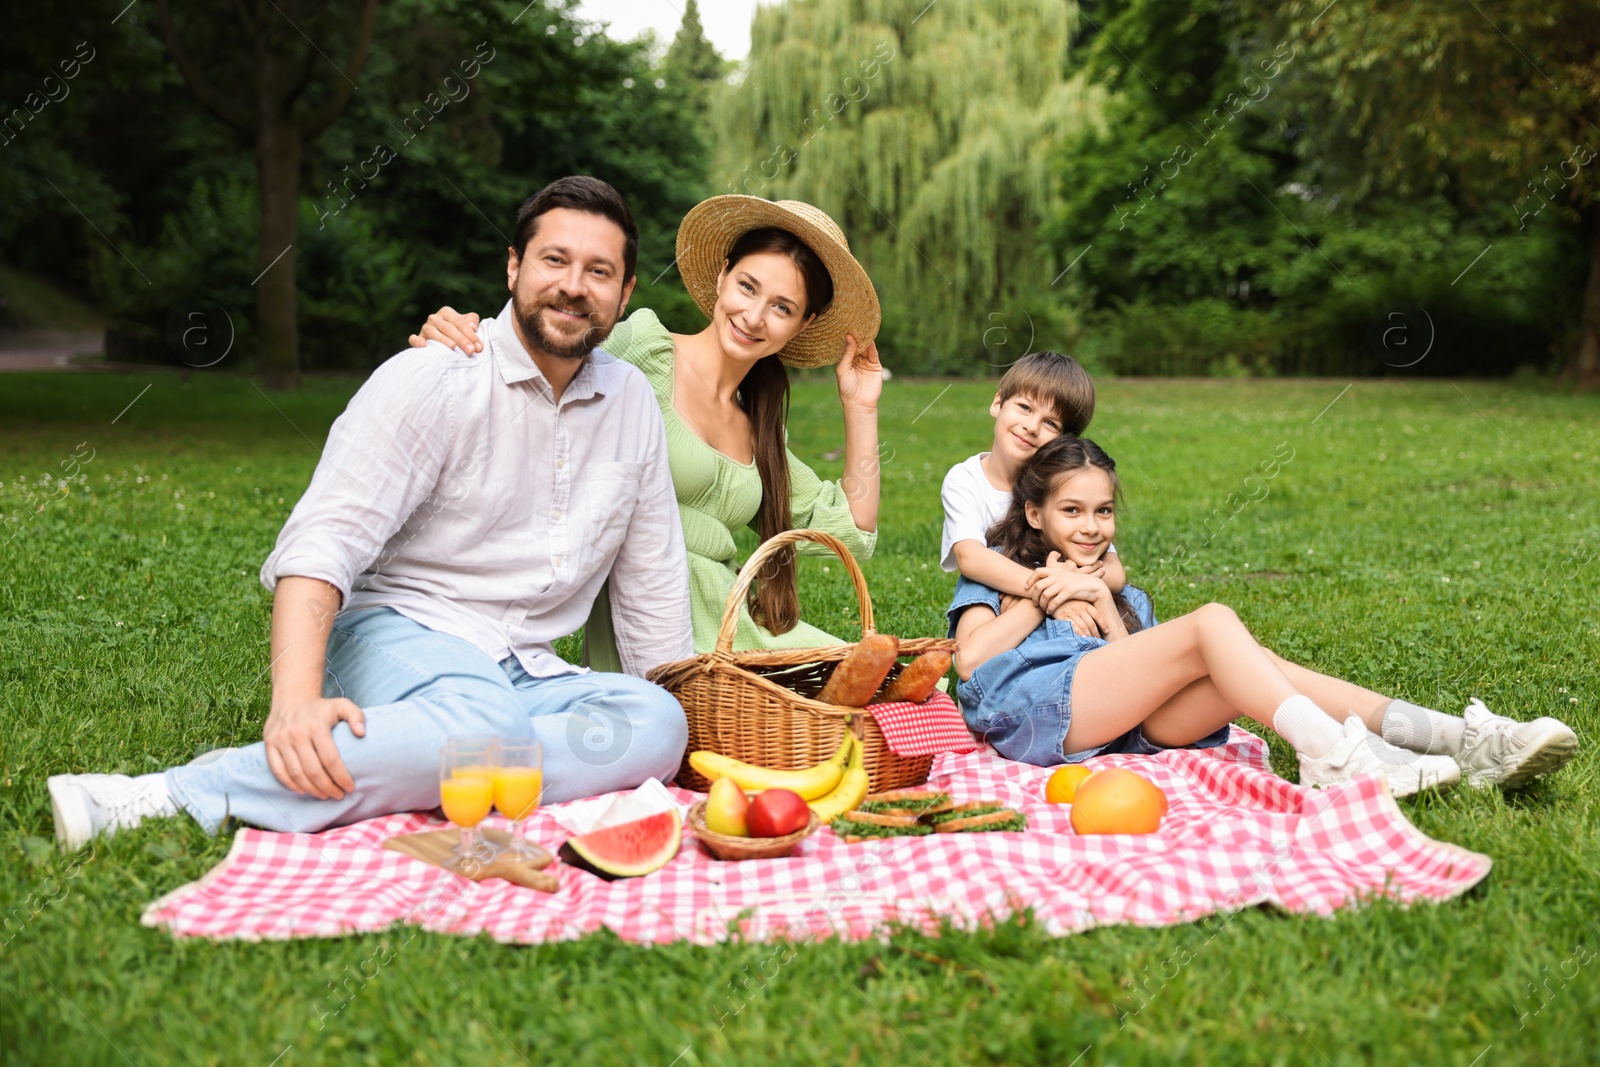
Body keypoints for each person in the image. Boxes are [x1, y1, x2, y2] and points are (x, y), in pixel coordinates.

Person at [48, 176, 693, 850]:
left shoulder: (631, 405)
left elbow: (651, 585)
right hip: (395, 630)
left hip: (525, 669)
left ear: (623, 295)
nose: (573, 286)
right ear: (513, 267)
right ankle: (166, 794)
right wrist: (293, 705)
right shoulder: (436, 375)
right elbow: (322, 541)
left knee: (654, 723)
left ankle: (424, 761)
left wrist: (684, 715)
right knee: (487, 728)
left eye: (599, 271)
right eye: (554, 260)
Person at [949, 435, 1579, 794]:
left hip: (1118, 728)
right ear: (1035, 514)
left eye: (1103, 512)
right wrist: (1042, 590)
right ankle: (1331, 759)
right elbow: (972, 665)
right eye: (1072, 511)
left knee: (1254, 665)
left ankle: (1464, 742)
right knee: (1212, 621)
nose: (1091, 528)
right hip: (1030, 717)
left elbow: (1120, 661)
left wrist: (1097, 601)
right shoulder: (997, 573)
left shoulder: (1118, 588)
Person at [409, 196, 884, 666]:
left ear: (805, 323)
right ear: (722, 276)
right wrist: (463, 332)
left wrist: (860, 407)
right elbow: (540, 353)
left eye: (782, 308)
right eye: (747, 287)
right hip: (654, 630)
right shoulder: (645, 351)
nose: (754, 316)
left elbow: (852, 530)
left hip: (732, 630)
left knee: (902, 692)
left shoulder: (759, 425)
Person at [940, 351, 1127, 639]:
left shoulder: (1065, 484)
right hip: (993, 600)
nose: (1031, 426)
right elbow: (972, 559)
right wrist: (1050, 590)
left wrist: (1068, 585)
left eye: (1051, 423)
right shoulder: (965, 480)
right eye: (1025, 407)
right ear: (998, 402)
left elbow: (1113, 571)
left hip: (1057, 592)